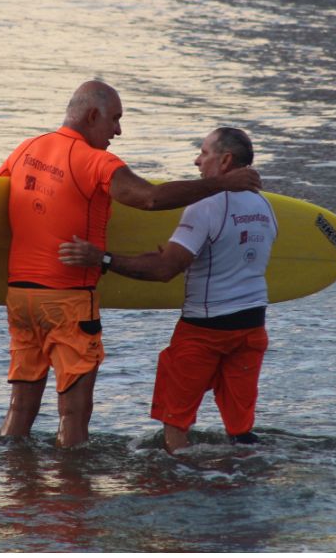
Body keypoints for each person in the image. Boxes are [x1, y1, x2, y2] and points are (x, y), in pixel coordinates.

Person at [0, 81, 261, 449]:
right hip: (68, 302)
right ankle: (72, 499)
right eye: (115, 120)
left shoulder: (25, 150)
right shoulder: (94, 160)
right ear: (92, 116)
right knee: (73, 416)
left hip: (20, 300)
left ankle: (15, 494)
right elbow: (150, 199)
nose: (117, 131)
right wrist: (224, 184)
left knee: (19, 409)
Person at [58, 127, 276, 454]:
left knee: (176, 427)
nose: (196, 161)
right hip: (252, 329)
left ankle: (180, 486)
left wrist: (100, 258)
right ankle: (241, 487)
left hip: (205, 331)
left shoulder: (206, 205)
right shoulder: (265, 208)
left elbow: (164, 271)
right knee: (240, 429)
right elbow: (220, 257)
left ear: (226, 160)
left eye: (204, 153)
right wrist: (175, 255)